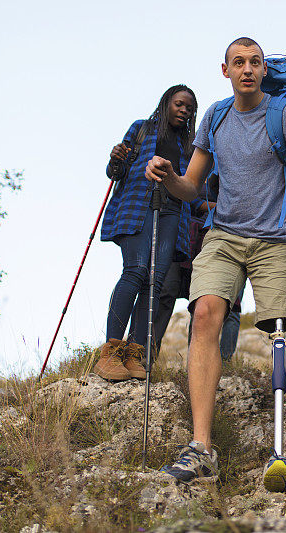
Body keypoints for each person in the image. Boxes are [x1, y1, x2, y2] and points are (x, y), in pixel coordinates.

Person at [144, 38, 286, 486]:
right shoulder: (214, 116)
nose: (248, 69)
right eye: (239, 62)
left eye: (255, 62)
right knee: (205, 313)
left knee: (275, 331)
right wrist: (169, 176)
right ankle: (201, 450)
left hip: (273, 239)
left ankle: (279, 450)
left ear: (263, 70)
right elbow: (192, 186)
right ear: (225, 70)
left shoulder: (285, 115)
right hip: (224, 235)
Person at [94, 85, 198, 382]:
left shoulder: (190, 146)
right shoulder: (141, 130)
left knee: (156, 282)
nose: (184, 111)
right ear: (166, 103)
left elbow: (192, 185)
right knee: (136, 271)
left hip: (172, 214)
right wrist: (115, 158)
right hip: (136, 207)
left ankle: (134, 353)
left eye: (189, 108)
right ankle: (111, 352)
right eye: (179, 104)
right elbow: (116, 172)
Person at [131, 173, 244, 361]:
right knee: (166, 291)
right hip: (184, 232)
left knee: (210, 302)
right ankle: (143, 356)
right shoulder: (193, 154)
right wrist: (224, 208)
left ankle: (203, 364)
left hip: (221, 237)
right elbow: (189, 196)